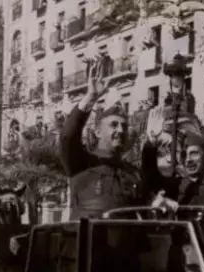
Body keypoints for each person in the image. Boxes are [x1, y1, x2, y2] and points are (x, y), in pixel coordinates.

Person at [60, 57, 144, 219]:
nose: (120, 130)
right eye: (113, 124)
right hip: (88, 242)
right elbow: (67, 136)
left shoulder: (132, 174)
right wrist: (91, 97)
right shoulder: (81, 163)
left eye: (124, 126)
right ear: (97, 132)